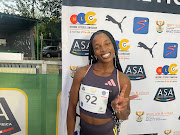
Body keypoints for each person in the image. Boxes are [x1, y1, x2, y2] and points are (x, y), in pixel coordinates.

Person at [67, 30, 138, 135]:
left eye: (107, 44)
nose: (103, 49)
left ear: (113, 45)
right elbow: (71, 108)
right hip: (84, 131)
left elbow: (124, 116)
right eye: (97, 47)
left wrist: (118, 109)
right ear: (93, 52)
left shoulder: (122, 79)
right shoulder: (81, 73)